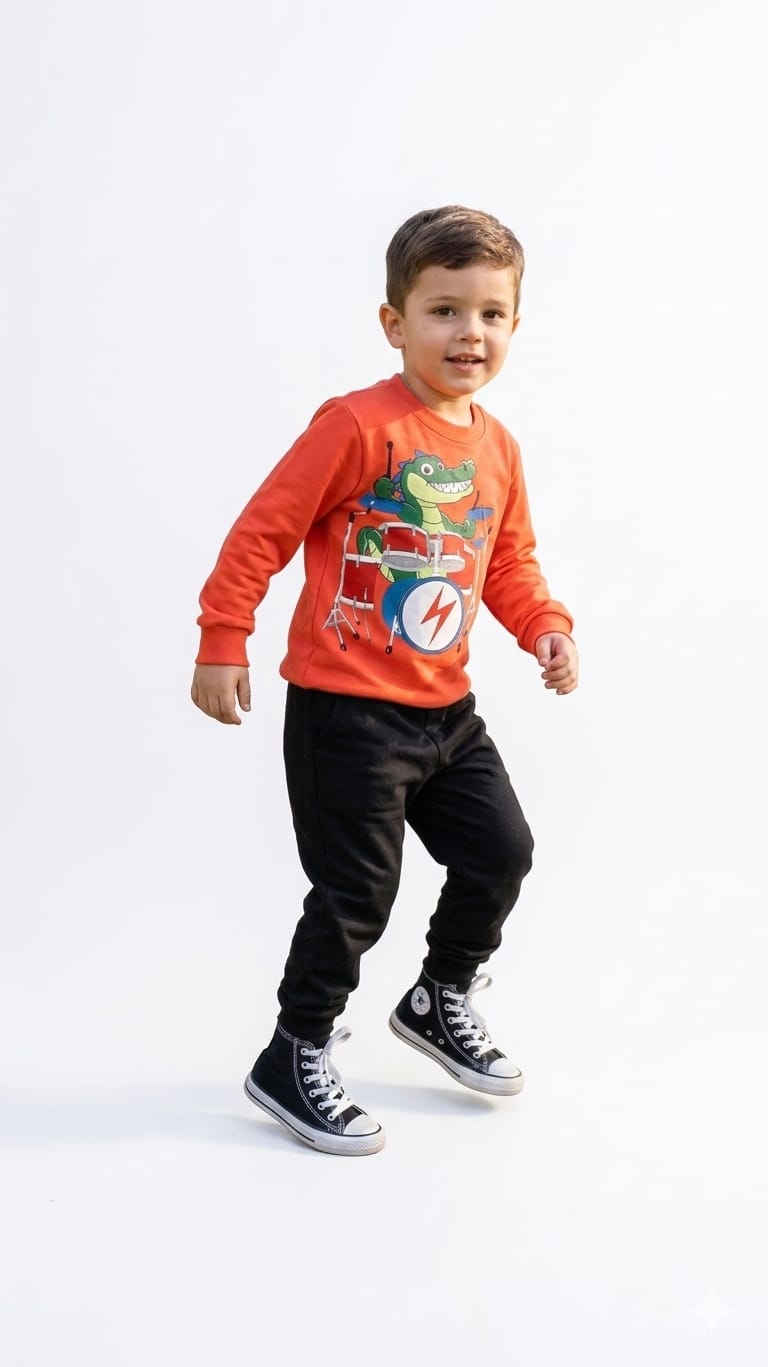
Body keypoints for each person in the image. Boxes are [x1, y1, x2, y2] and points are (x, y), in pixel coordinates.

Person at [191, 205, 579, 1157]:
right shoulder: (358, 425)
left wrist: (545, 626)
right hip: (347, 714)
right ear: (394, 323)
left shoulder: (497, 447)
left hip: (447, 712)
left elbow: (508, 560)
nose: (469, 333)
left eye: (491, 314)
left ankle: (439, 994)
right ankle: (294, 1051)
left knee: (502, 850)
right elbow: (264, 530)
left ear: (516, 325)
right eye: (444, 310)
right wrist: (224, 635)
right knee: (357, 892)